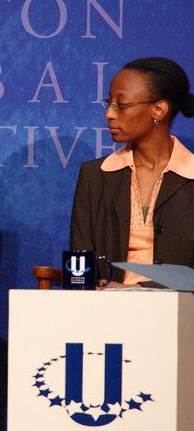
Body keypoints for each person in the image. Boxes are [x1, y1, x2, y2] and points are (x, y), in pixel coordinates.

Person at [71, 57, 194, 288]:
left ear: (158, 110)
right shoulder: (94, 176)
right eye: (108, 103)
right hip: (108, 312)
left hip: (182, 312)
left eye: (121, 105)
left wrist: (142, 290)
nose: (109, 113)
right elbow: (80, 264)